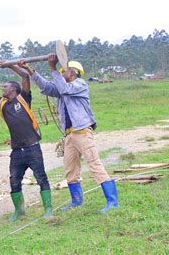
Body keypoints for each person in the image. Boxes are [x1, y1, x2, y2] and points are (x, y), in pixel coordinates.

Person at [19, 54, 119, 213]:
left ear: (72, 73)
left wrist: (52, 68)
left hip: (83, 133)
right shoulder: (62, 87)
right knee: (70, 169)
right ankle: (77, 201)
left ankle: (112, 202)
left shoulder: (80, 85)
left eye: (62, 71)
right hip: (70, 135)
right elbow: (46, 87)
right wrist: (29, 70)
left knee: (94, 164)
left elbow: (64, 88)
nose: (60, 73)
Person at [0, 65, 53, 221]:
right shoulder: (2, 104)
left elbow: (25, 76)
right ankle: (19, 211)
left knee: (41, 178)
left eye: (5, 86)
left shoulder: (23, 98)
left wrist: (9, 65)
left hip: (32, 148)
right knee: (14, 180)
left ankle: (48, 209)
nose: (2, 88)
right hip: (17, 151)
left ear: (14, 89)